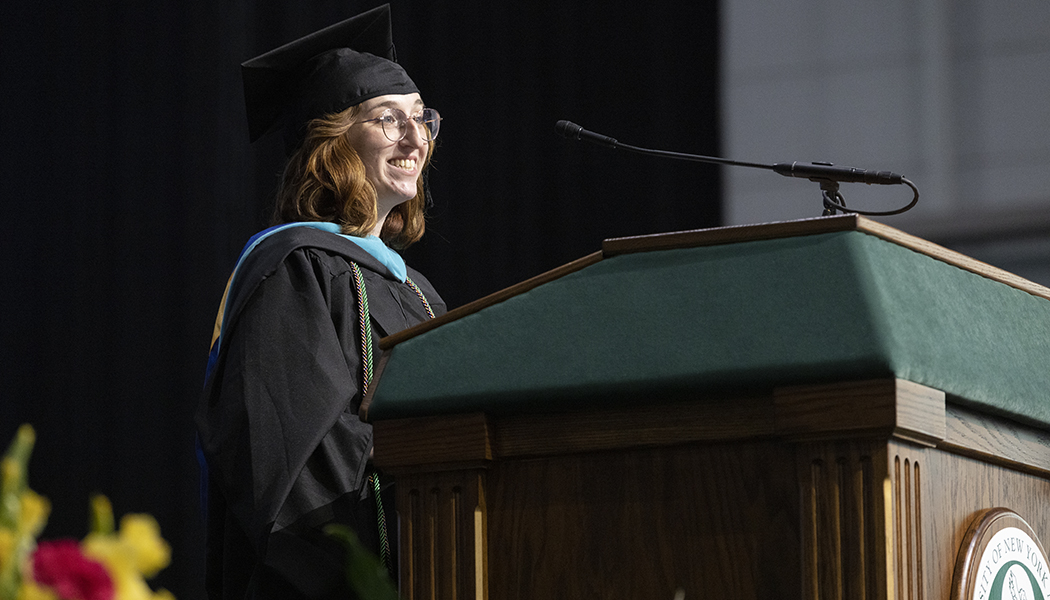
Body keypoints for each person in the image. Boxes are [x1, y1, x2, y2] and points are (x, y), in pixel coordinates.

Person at [194, 5, 446, 599]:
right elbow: (293, 466)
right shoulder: (295, 270)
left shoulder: (417, 291)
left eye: (423, 119)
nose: (416, 139)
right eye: (389, 120)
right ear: (330, 143)